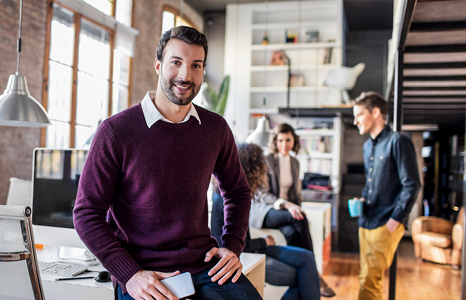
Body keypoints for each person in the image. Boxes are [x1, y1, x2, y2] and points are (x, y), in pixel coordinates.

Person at [73, 26, 261, 300]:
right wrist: (129, 275)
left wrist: (232, 246)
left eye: (196, 65)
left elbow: (237, 192)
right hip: (145, 274)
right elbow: (86, 213)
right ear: (158, 65)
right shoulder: (117, 131)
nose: (186, 75)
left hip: (205, 266)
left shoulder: (215, 128)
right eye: (176, 62)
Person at [211, 143, 321, 300]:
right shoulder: (226, 197)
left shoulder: (239, 194)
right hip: (245, 254)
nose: (266, 171)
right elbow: (238, 246)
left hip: (252, 248)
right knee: (305, 277)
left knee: (307, 257)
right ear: (253, 168)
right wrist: (264, 242)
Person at [249, 123, 335, 297]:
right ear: (275, 141)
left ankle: (302, 268)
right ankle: (315, 272)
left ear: (293, 141)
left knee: (292, 232)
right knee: (299, 219)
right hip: (266, 210)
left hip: (286, 213)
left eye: (288, 140)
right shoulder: (268, 160)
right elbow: (263, 194)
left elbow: (296, 193)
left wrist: (295, 207)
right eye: (280, 140)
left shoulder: (295, 162)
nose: (284, 144)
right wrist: (286, 205)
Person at [352, 91, 421, 300]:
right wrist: (363, 199)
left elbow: (412, 184)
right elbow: (371, 183)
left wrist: (395, 220)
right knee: (368, 279)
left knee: (369, 282)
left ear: (375, 112)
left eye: (359, 115)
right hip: (366, 221)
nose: (355, 122)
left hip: (386, 223)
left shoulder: (398, 141)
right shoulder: (366, 146)